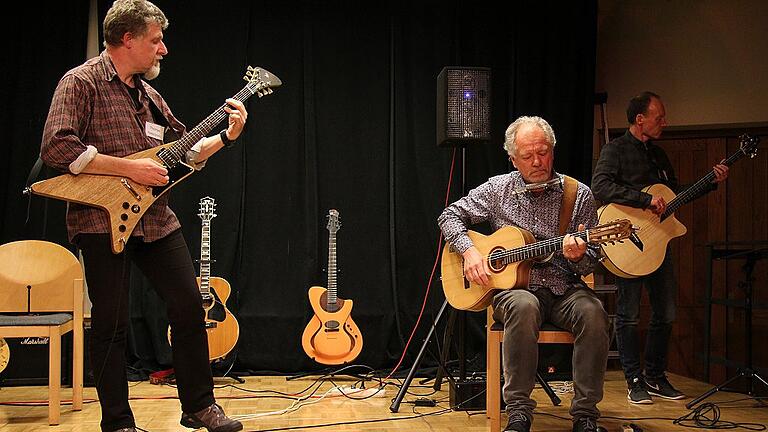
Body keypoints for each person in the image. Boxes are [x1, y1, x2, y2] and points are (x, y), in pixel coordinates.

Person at [40, 1, 247, 431]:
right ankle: (118, 423)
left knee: (190, 307)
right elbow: (57, 148)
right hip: (100, 219)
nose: (163, 50)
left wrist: (226, 137)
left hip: (154, 219)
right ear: (128, 39)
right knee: (111, 325)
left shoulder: (149, 95)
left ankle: (199, 407)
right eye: (155, 40)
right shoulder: (80, 83)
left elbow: (183, 153)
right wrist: (127, 167)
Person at [438, 116, 609, 432]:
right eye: (527, 156)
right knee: (523, 305)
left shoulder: (578, 194)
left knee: (594, 312)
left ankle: (585, 415)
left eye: (543, 152)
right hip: (516, 290)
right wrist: (470, 251)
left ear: (552, 151)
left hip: (563, 288)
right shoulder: (497, 190)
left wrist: (580, 255)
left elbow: (593, 261)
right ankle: (518, 412)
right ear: (513, 159)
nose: (537, 162)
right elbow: (449, 216)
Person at [591, 91, 728, 404]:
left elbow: (674, 197)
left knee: (665, 313)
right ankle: (634, 380)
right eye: (659, 117)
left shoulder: (660, 155)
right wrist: (644, 199)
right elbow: (600, 186)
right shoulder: (615, 150)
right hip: (627, 242)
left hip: (658, 244)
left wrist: (711, 181)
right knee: (627, 315)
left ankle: (655, 376)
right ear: (640, 119)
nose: (664, 123)